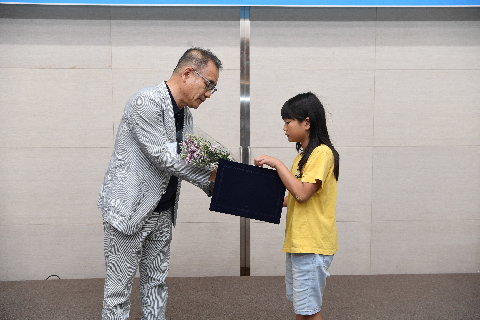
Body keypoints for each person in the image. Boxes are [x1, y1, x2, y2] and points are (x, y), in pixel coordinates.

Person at [97, 47, 222, 320]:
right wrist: (215, 177)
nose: (209, 93)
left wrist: (223, 181)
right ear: (188, 73)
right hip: (129, 211)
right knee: (118, 293)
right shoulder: (146, 103)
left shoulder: (186, 115)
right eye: (209, 84)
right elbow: (166, 159)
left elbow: (190, 162)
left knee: (156, 284)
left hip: (163, 213)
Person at [254, 92, 340, 320]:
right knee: (303, 309)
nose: (284, 128)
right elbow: (293, 198)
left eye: (288, 121)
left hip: (311, 244)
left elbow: (301, 193)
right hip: (300, 243)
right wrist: (252, 199)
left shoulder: (322, 153)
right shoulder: (303, 157)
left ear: (307, 123)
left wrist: (277, 163)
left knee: (309, 311)